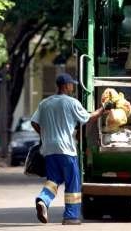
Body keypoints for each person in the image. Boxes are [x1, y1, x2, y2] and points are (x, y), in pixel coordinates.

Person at [31, 73, 106, 225]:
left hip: (49, 149)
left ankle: (43, 200)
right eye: (72, 84)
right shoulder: (72, 102)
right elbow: (88, 118)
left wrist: (45, 135)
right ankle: (71, 216)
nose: (73, 87)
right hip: (66, 149)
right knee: (72, 182)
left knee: (53, 180)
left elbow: (34, 122)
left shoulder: (44, 103)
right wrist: (103, 109)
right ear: (66, 86)